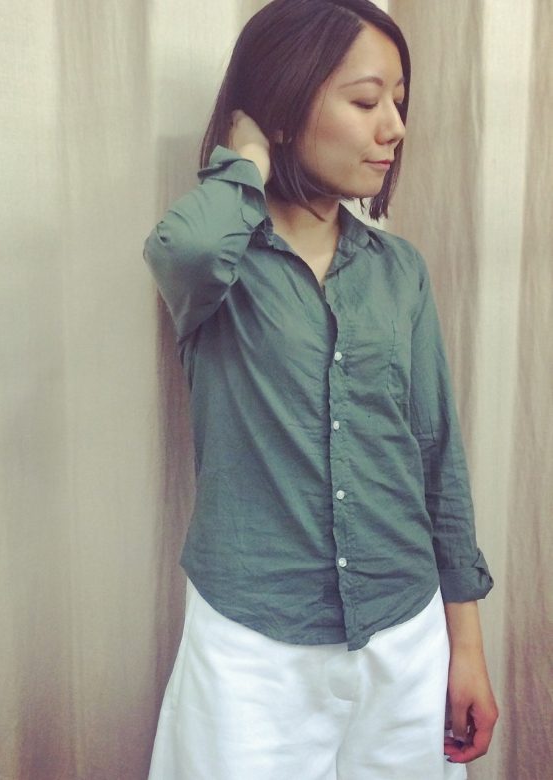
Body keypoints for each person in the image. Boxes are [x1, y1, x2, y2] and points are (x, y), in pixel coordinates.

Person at [142, 1, 499, 778]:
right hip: (254, 646)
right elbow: (185, 245)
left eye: (398, 102)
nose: (394, 127)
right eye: (366, 101)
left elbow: (435, 455)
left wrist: (464, 645)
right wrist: (247, 155)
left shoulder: (399, 272)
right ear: (284, 109)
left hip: (405, 635)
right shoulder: (220, 269)